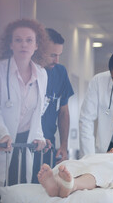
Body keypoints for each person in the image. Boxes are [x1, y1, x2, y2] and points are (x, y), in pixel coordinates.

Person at [0, 19, 48, 203]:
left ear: (37, 45)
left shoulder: (42, 74)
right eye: (18, 40)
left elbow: (37, 112)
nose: (24, 44)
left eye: (29, 40)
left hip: (24, 144)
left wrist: (38, 136)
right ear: (10, 44)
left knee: (19, 192)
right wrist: (2, 135)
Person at [32, 28, 74, 183]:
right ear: (38, 49)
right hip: (26, 143)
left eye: (59, 55)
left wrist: (63, 145)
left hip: (49, 146)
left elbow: (64, 112)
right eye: (52, 55)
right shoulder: (29, 71)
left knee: (45, 190)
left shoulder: (60, 72)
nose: (57, 60)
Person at [37, 150, 113, 198]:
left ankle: (71, 185)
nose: (111, 150)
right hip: (85, 163)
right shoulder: (97, 156)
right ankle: (56, 183)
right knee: (70, 165)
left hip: (104, 167)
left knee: (96, 171)